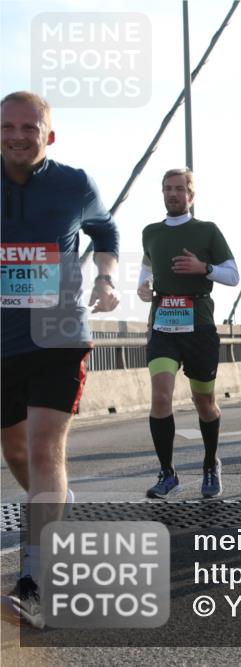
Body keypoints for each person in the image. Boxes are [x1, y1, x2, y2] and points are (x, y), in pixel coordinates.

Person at [1, 91, 120, 628]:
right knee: (16, 451)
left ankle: (35, 582)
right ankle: (55, 504)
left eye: (29, 127)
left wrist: (105, 276)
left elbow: (105, 228)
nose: (17, 136)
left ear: (48, 135)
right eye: (8, 127)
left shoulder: (75, 184)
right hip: (3, 341)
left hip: (59, 335)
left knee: (44, 446)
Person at [138, 168, 239, 499]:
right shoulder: (151, 232)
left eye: (179, 189)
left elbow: (233, 275)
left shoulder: (207, 231)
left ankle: (211, 463)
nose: (173, 194)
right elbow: (147, 267)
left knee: (204, 402)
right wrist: (143, 287)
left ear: (191, 195)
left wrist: (203, 268)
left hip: (199, 325)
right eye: (168, 188)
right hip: (163, 324)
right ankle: (168, 473)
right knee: (160, 396)